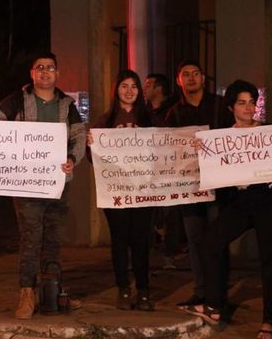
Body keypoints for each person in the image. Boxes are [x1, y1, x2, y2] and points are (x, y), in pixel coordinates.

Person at [0, 53, 86, 319]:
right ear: (32, 73)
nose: (45, 72)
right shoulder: (18, 100)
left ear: (57, 74)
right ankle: (27, 292)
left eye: (50, 68)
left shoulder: (66, 104)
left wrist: (73, 158)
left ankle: (53, 292)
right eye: (40, 67)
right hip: (26, 186)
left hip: (58, 182)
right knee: (30, 238)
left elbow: (78, 134)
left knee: (53, 240)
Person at [183, 79, 272, 338]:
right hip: (241, 203)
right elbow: (214, 171)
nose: (248, 108)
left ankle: (269, 321)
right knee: (209, 242)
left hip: (270, 201)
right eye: (242, 103)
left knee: (268, 260)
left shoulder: (269, 133)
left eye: (252, 102)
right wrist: (204, 153)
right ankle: (213, 305)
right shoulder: (223, 136)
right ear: (231, 106)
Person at [165, 59, 233, 307]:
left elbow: (233, 136)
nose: (191, 78)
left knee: (218, 237)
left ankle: (220, 291)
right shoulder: (174, 114)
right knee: (195, 240)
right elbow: (168, 149)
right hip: (190, 187)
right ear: (179, 80)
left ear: (203, 78)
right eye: (186, 74)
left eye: (196, 73)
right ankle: (202, 290)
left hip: (218, 185)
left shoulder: (220, 106)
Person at [87, 70, 156, 311]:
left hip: (143, 191)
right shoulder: (105, 121)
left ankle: (144, 290)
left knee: (140, 240)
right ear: (116, 89)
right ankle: (123, 289)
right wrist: (90, 146)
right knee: (120, 240)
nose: (129, 91)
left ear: (140, 91)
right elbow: (92, 158)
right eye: (124, 86)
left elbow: (166, 149)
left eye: (134, 86)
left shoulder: (150, 119)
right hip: (115, 192)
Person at [143, 73, 182, 269]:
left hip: (169, 169)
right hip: (149, 169)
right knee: (150, 212)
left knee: (171, 212)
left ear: (158, 88)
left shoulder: (173, 111)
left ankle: (169, 254)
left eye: (148, 84)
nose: (144, 88)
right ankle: (148, 254)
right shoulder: (144, 112)